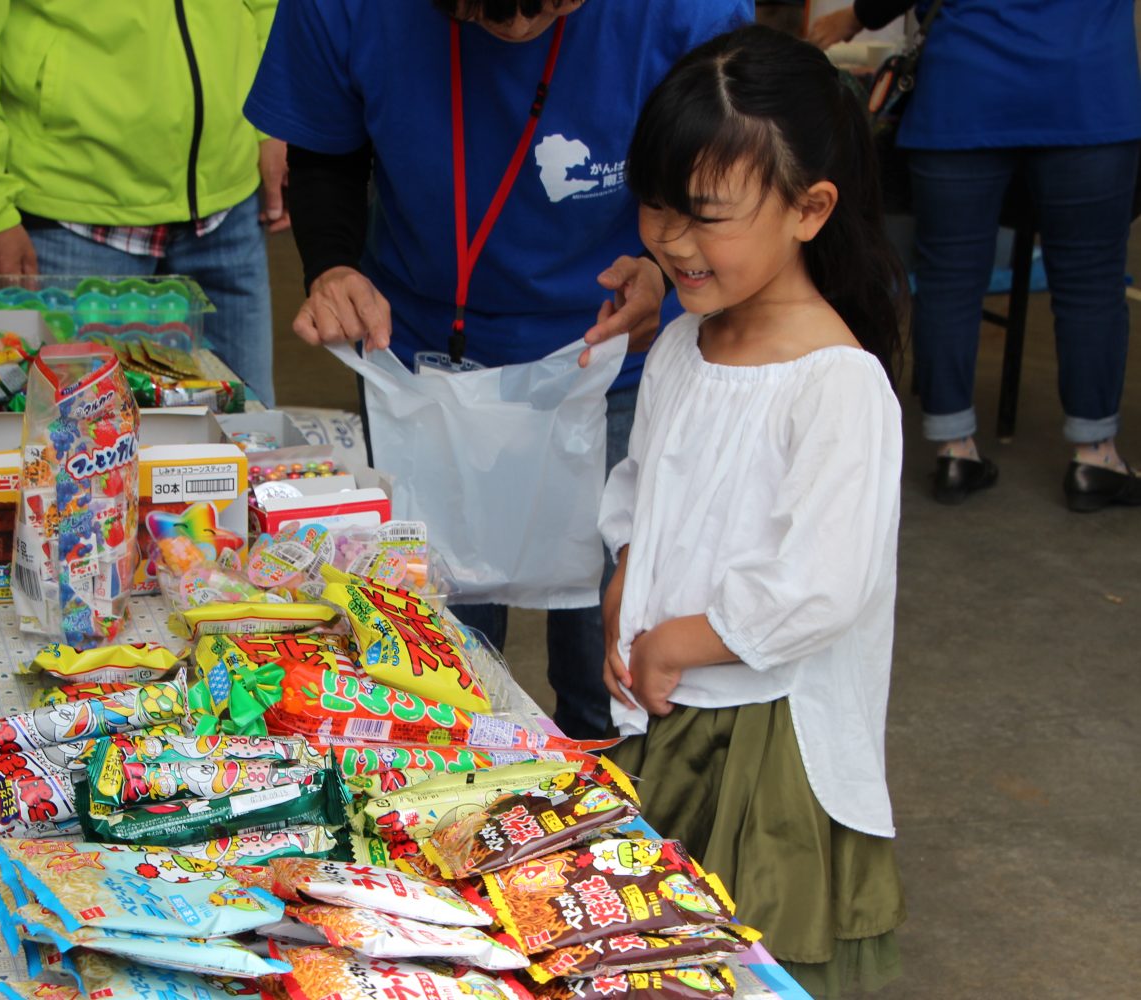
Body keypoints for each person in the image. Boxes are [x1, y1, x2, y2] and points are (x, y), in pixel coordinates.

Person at [243, 0, 750, 739]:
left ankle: (603, 794)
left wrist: (666, 269)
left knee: (610, 665)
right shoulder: (347, 10)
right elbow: (325, 146)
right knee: (436, 661)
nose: (515, 29)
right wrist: (333, 266)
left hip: (609, 350)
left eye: (548, 5)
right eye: (480, 11)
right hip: (418, 358)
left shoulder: (681, 13)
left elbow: (730, 173)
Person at [598, 26, 906, 996]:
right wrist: (625, 583)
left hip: (773, 745)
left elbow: (821, 586)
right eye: (657, 206)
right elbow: (644, 491)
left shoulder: (838, 385)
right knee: (651, 952)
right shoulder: (683, 345)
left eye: (707, 216)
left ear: (810, 209)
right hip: (670, 710)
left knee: (744, 959)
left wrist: (678, 640)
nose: (672, 241)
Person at [810, 0, 1141, 509]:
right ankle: (1096, 457)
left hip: (964, 87)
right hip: (1087, 87)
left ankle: (954, 452)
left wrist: (857, 16)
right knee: (1091, 282)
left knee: (949, 278)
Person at [0, 1, 286, 407]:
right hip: (70, 218)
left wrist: (275, 119)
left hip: (230, 207)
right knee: (67, 436)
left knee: (249, 432)